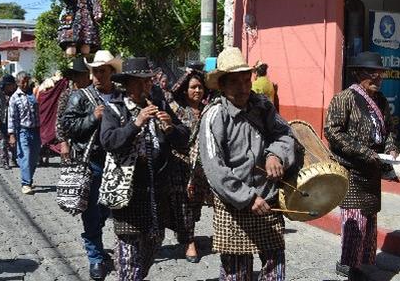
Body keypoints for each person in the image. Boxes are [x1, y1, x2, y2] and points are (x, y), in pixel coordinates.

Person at [198, 47, 295, 281]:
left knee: (275, 267)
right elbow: (214, 169)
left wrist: (275, 155)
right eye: (234, 82)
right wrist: (247, 198)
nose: (243, 87)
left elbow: (286, 135)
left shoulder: (263, 106)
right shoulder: (213, 116)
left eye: (246, 79)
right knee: (236, 273)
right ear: (221, 85)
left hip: (267, 199)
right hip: (233, 205)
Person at [100, 57, 189, 281]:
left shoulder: (160, 104)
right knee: (128, 262)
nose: (145, 87)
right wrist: (135, 123)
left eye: (148, 82)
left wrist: (170, 128)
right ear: (127, 84)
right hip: (128, 195)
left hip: (157, 195)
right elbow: (109, 141)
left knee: (150, 250)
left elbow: (184, 139)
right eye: (139, 82)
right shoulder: (115, 109)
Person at [324, 51, 399, 281]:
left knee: (368, 219)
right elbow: (333, 132)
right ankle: (350, 267)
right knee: (354, 219)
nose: (378, 78)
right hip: (352, 170)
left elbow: (388, 132)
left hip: (372, 170)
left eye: (380, 74)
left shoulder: (382, 101)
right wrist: (364, 152)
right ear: (358, 74)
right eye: (372, 74)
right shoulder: (344, 98)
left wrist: (391, 149)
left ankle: (359, 263)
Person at [60, 51, 122, 280]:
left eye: (102, 71)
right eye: (94, 71)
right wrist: (92, 118)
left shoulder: (120, 96)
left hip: (116, 163)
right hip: (92, 162)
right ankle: (95, 257)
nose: (97, 76)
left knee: (107, 209)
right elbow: (68, 126)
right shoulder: (81, 97)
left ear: (112, 73)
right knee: (92, 212)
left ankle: (95, 241)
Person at [166, 69, 210, 263]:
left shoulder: (208, 109)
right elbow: (169, 92)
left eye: (200, 87)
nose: (198, 90)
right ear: (185, 89)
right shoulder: (177, 108)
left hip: (201, 166)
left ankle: (187, 234)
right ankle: (189, 242)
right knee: (183, 204)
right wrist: (189, 73)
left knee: (195, 204)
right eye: (193, 87)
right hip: (180, 164)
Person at [8, 72, 40, 195]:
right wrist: (11, 135)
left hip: (36, 131)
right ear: (18, 83)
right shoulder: (14, 98)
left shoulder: (33, 94)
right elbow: (11, 117)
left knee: (34, 158)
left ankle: (29, 179)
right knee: (25, 157)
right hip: (23, 131)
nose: (25, 84)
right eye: (23, 81)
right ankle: (25, 183)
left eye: (27, 81)